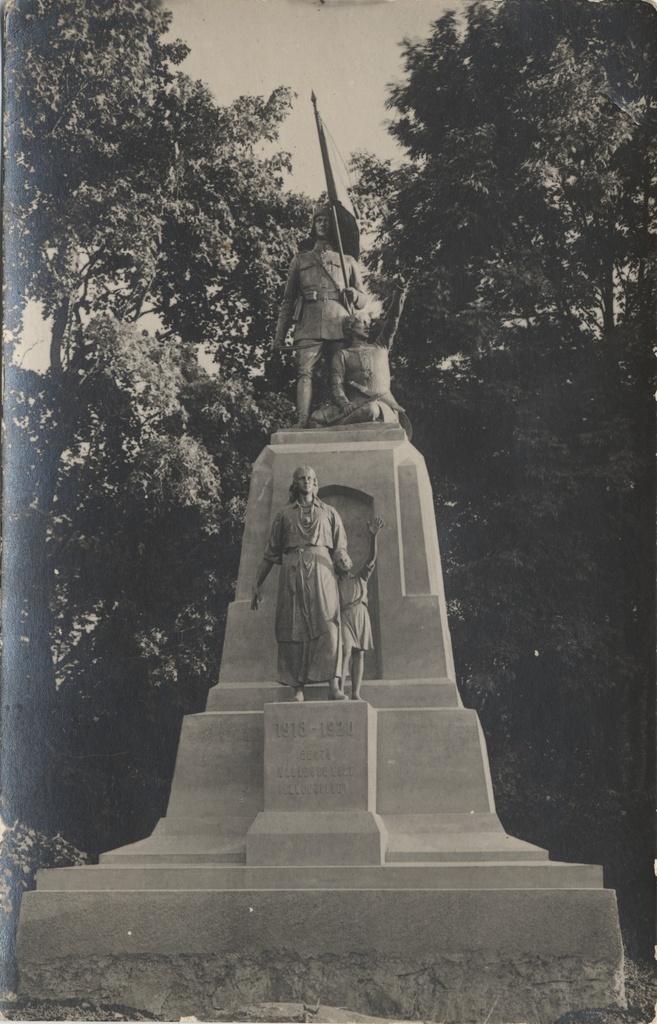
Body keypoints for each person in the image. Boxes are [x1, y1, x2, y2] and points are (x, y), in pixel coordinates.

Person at [251, 465, 349, 701]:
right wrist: (257, 583)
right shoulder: (283, 515)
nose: (307, 482)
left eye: (311, 479)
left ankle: (334, 686)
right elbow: (270, 554)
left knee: (329, 625)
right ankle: (297, 688)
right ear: (295, 484)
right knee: (293, 627)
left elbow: (340, 548)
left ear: (316, 484)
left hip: (322, 570)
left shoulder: (329, 512)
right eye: (302, 479)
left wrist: (343, 561)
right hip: (292, 569)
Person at [274, 204, 368, 428]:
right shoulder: (301, 260)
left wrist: (355, 294)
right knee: (304, 371)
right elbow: (287, 301)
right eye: (319, 220)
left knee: (341, 374)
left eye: (327, 221)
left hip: (339, 322)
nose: (323, 224)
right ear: (313, 225)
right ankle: (303, 420)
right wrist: (279, 335)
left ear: (334, 226)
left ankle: (345, 417)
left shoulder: (348, 261)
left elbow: (363, 300)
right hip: (309, 322)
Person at [310, 277, 411, 437]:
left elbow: (393, 319)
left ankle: (331, 429)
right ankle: (336, 422)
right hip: (353, 406)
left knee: (371, 410)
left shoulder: (381, 346)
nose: (367, 326)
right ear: (350, 328)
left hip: (382, 406)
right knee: (316, 415)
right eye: (362, 322)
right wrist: (344, 404)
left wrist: (400, 290)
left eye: (368, 323)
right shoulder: (342, 355)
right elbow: (337, 386)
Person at [334, 517, 384, 701]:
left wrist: (374, 536)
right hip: (345, 616)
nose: (344, 561)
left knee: (359, 654)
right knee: (346, 650)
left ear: (351, 562)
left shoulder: (360, 578)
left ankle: (355, 692)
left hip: (361, 615)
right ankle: (338, 690)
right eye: (340, 560)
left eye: (345, 558)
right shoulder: (335, 584)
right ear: (336, 567)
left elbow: (371, 558)